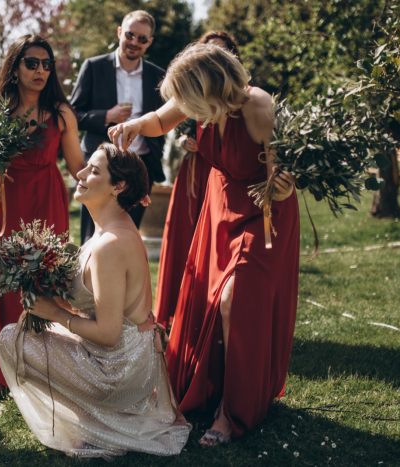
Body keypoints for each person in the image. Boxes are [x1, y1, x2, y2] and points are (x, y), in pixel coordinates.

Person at [109, 43, 299, 445]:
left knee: (236, 300)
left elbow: (282, 177)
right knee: (211, 301)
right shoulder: (198, 101)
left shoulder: (258, 107)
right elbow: (160, 120)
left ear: (208, 85)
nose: (188, 111)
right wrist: (135, 126)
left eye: (189, 99)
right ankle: (211, 389)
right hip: (219, 206)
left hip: (262, 212)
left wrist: (281, 188)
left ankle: (234, 409)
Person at [0, 144, 191, 459]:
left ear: (119, 186)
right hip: (119, 355)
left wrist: (56, 313)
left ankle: (95, 425)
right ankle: (97, 419)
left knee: (10, 339)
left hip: (117, 368)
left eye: (94, 171)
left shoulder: (111, 245)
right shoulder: (105, 231)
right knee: (24, 332)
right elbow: (98, 306)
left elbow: (109, 332)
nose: (81, 174)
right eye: (86, 167)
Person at [0, 35, 86, 391]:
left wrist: (116, 184)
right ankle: (5, 366)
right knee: (4, 282)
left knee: (45, 281)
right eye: (31, 63)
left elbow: (78, 167)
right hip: (7, 202)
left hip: (47, 201)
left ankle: (44, 368)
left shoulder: (61, 113)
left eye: (46, 64)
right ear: (15, 67)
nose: (40, 70)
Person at [154, 31, 241, 328]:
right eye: (208, 50)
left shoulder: (240, 96)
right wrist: (183, 141)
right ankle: (176, 311)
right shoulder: (191, 89)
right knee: (183, 235)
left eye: (222, 51)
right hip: (194, 169)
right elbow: (173, 122)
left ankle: (212, 311)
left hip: (223, 173)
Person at [70, 10, 166, 244]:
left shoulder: (159, 76)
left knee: (128, 238)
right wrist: (106, 116)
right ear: (120, 32)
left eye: (142, 39)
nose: (135, 42)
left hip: (140, 169)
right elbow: (73, 115)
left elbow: (163, 122)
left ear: (149, 42)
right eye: (131, 35)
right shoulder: (93, 67)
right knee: (91, 238)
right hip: (99, 170)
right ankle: (87, 281)